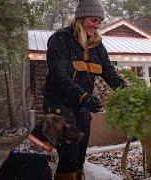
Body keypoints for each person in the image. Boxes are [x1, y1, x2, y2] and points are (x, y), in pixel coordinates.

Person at [42, 0, 125, 179]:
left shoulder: (97, 45)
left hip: (80, 105)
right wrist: (84, 97)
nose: (96, 26)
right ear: (80, 18)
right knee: (69, 152)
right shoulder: (61, 39)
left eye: (99, 22)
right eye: (93, 20)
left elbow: (109, 72)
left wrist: (126, 90)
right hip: (58, 102)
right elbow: (59, 77)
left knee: (80, 154)